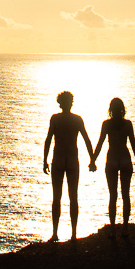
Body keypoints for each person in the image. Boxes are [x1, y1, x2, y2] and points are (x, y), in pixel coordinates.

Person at [41, 90, 94, 242]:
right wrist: (92, 159)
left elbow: (48, 139)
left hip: (58, 159)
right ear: (70, 103)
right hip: (71, 159)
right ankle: (74, 234)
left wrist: (44, 160)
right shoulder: (77, 120)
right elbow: (86, 139)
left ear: (60, 103)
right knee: (73, 197)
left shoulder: (55, 119)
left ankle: (56, 233)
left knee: (56, 197)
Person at [88, 97, 135, 230]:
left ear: (111, 110)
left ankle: (112, 228)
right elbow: (133, 144)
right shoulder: (128, 124)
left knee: (113, 196)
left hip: (112, 158)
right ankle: (125, 227)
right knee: (126, 195)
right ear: (122, 110)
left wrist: (93, 160)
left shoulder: (106, 124)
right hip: (125, 158)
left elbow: (100, 144)